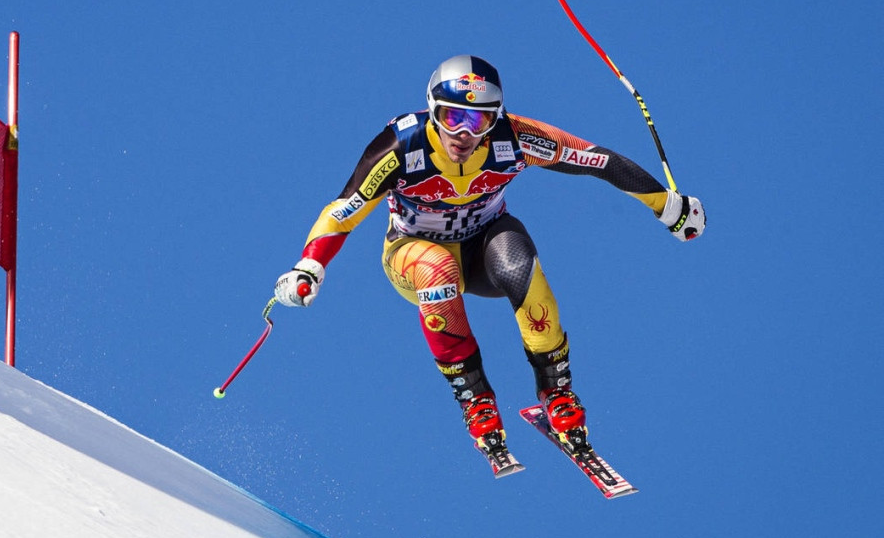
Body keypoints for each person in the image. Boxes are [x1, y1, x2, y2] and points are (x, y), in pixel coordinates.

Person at [273, 55, 704, 465]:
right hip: (411, 255)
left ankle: (557, 391)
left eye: (478, 120)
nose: (463, 132)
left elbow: (595, 160)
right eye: (451, 117)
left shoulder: (513, 138)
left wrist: (668, 206)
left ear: (495, 118)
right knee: (436, 267)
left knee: (518, 261)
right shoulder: (401, 146)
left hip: (482, 249)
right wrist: (309, 266)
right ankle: (476, 398)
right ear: (431, 111)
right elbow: (344, 210)